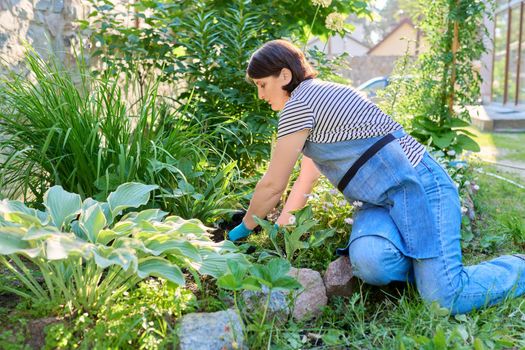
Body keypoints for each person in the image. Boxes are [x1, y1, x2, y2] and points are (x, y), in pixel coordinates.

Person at [227, 39, 525, 314]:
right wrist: (278, 229)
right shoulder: (315, 99)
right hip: (380, 203)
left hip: (422, 187)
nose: (260, 95)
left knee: (443, 299)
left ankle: (515, 268)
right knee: (371, 263)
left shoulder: (300, 104)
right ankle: (429, 270)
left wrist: (240, 231)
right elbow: (305, 179)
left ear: (284, 76)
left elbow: (272, 185)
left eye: (262, 85)